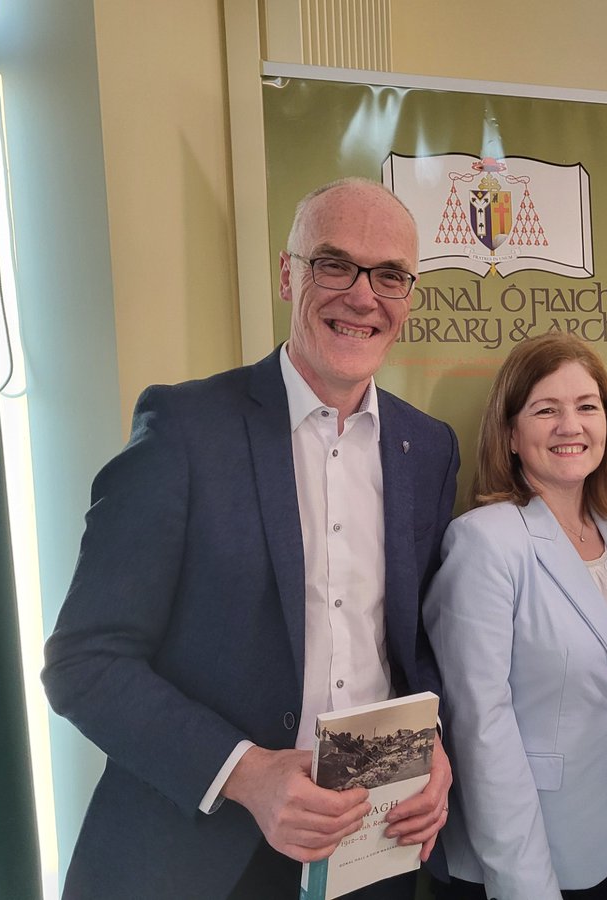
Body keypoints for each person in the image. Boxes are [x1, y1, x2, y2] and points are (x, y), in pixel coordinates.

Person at [42, 178, 460, 899]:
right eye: (334, 264)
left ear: (409, 296)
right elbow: (84, 660)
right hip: (196, 857)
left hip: (370, 853)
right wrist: (245, 773)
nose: (363, 296)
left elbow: (411, 643)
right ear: (286, 273)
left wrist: (434, 747)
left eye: (390, 275)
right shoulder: (184, 431)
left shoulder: (428, 449)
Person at [424, 333, 607, 900]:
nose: (571, 426)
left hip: (606, 842)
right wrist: (523, 885)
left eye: (588, 407)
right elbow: (478, 725)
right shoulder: (484, 542)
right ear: (511, 434)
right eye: (546, 409)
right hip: (515, 860)